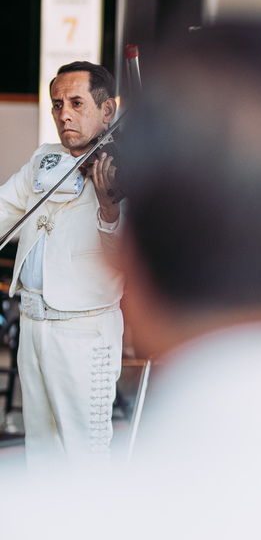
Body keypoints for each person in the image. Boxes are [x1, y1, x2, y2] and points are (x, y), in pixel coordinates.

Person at [0, 61, 123, 470]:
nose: (64, 113)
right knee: (42, 454)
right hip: (33, 324)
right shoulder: (45, 158)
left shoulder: (124, 168)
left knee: (84, 455)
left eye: (75, 102)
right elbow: (5, 205)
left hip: (83, 332)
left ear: (108, 111)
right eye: (57, 104)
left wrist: (109, 207)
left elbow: (124, 258)